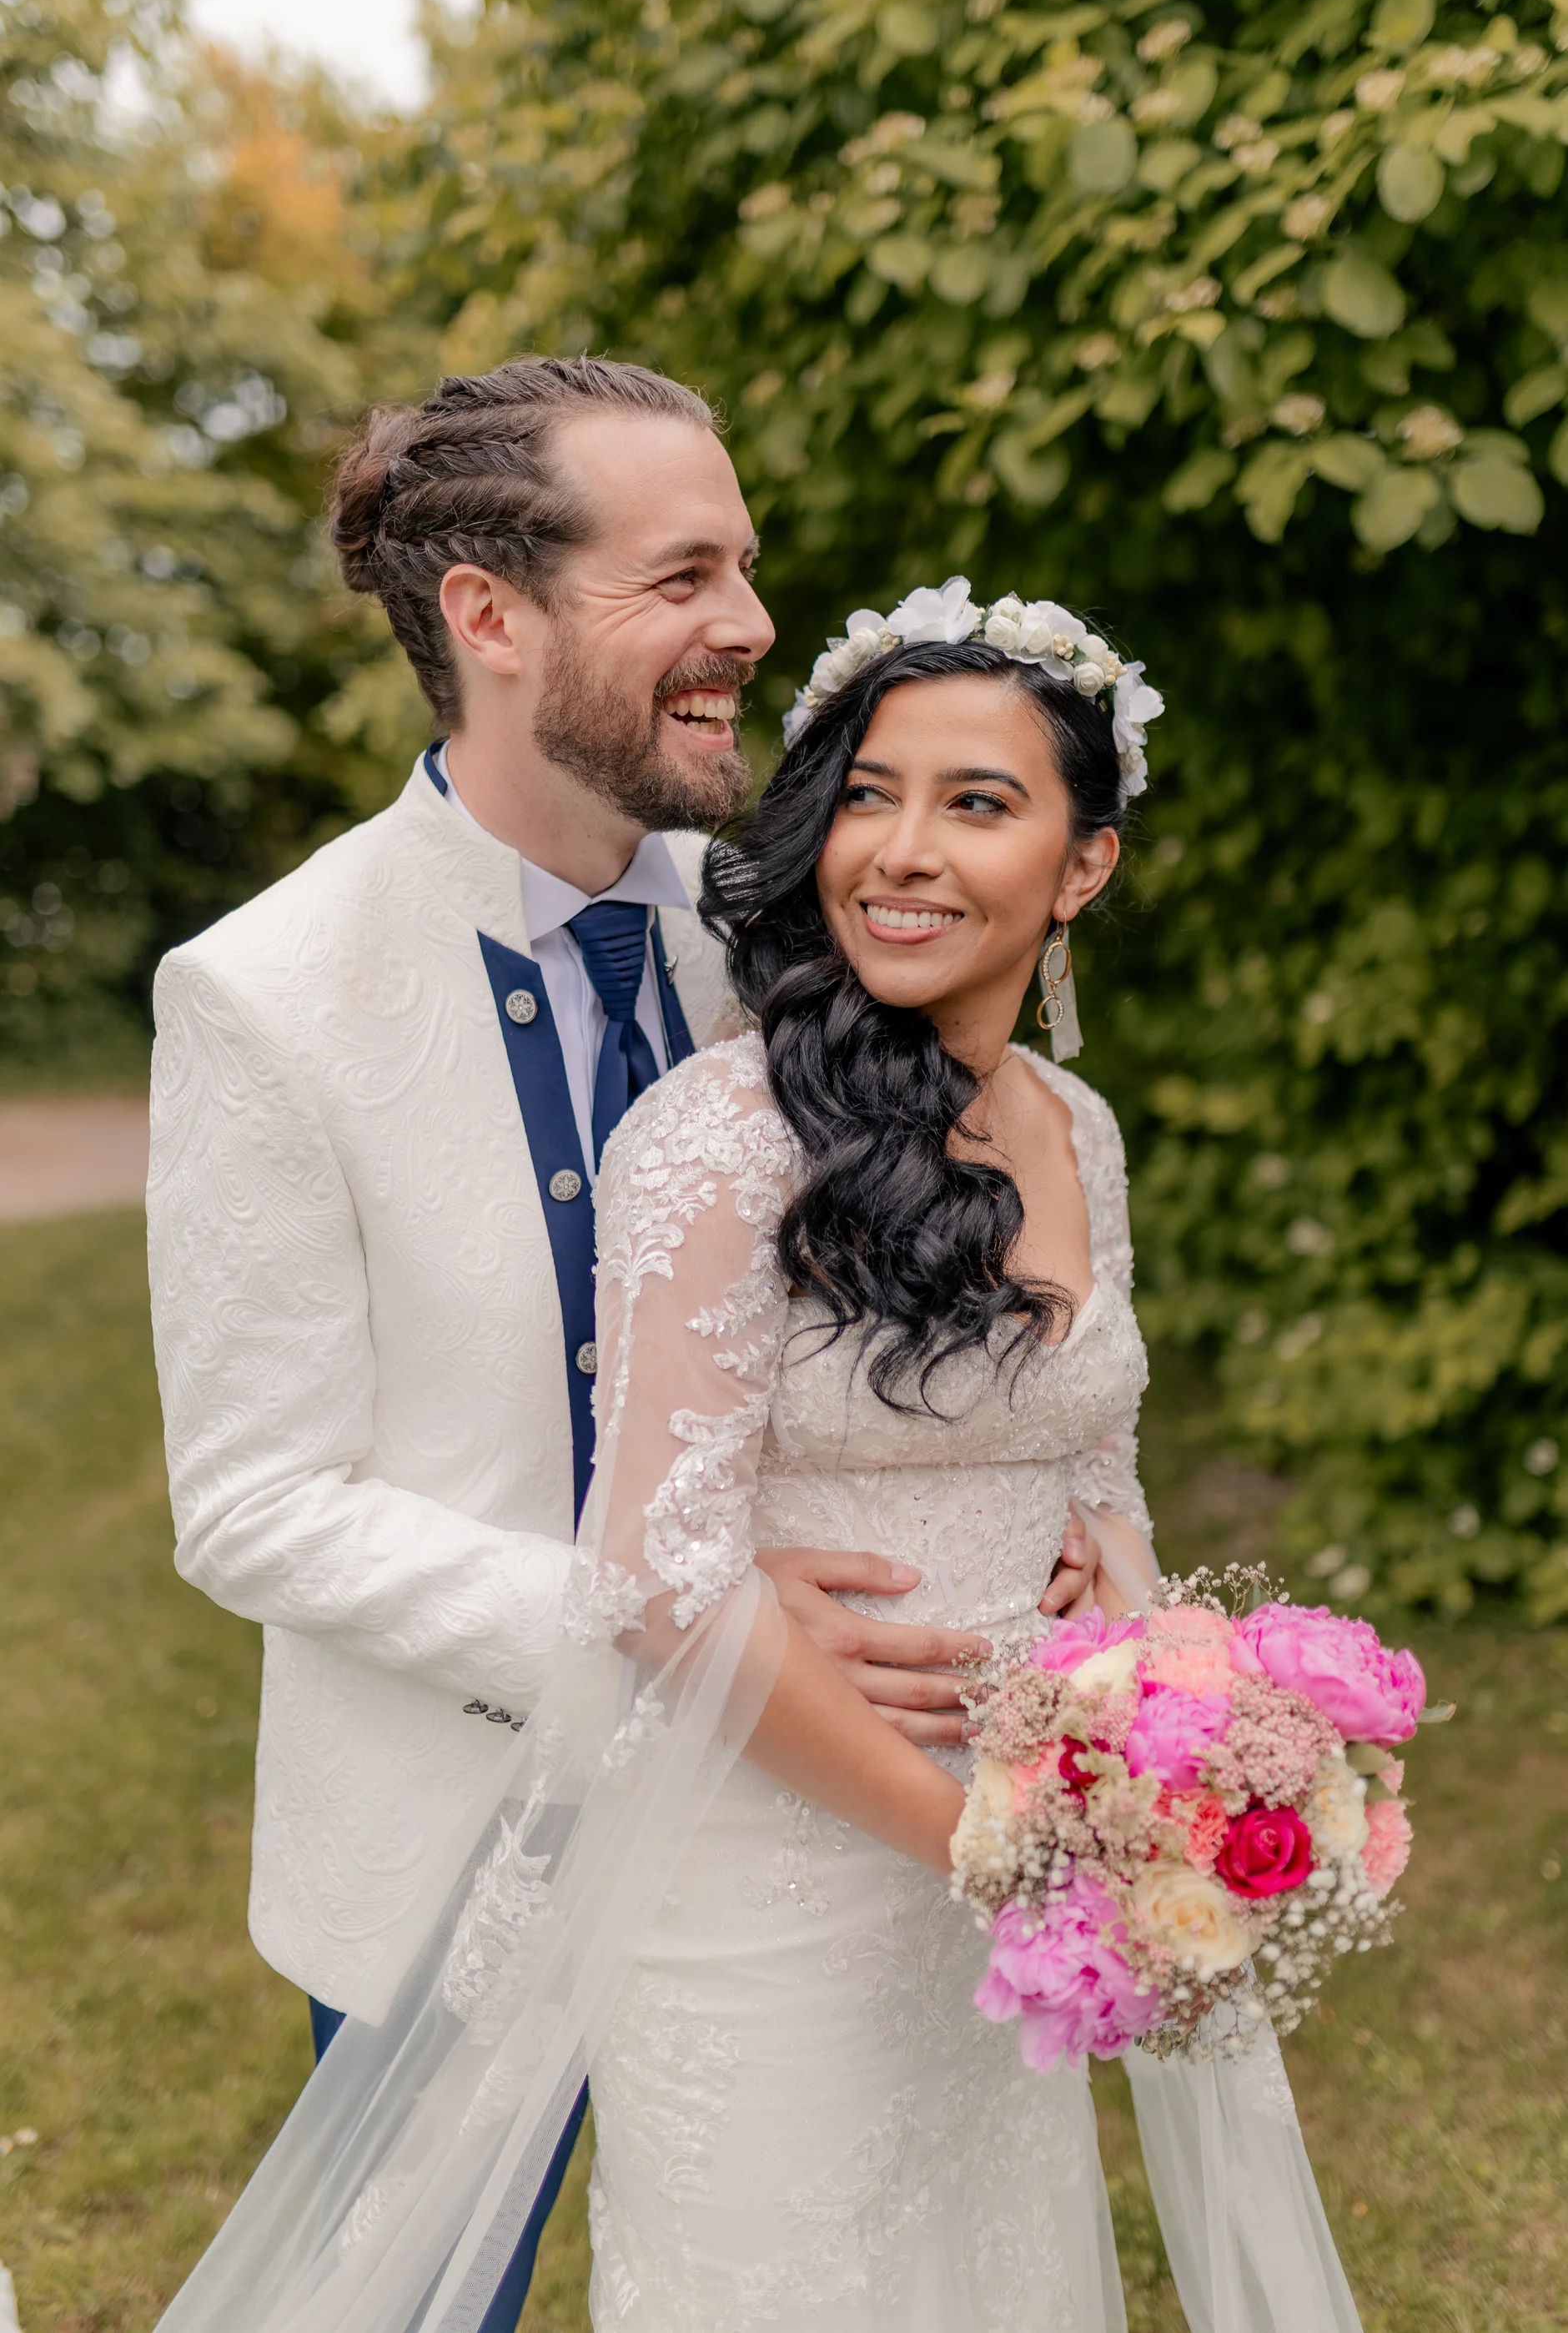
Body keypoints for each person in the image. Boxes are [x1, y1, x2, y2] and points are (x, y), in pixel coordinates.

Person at [152, 581, 1362, 2333]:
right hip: (775, 1869)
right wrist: (980, 1845)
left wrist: (1161, 1740)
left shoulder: (1076, 1128)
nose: (900, 851)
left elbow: (1096, 1472)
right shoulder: (719, 1137)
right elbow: (656, 1574)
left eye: (976, 802)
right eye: (867, 793)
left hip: (1015, 1854)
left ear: (1082, 867)